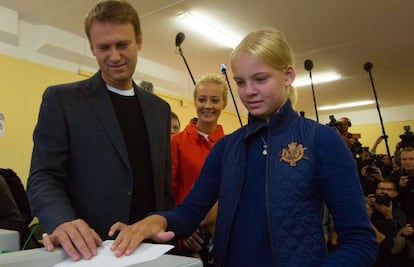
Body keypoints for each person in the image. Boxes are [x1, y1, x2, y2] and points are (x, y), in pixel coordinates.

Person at [106, 27, 378, 266]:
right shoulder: (227, 148)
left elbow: (360, 241)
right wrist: (158, 221)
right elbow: (189, 213)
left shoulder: (321, 141)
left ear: (288, 75)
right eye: (240, 81)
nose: (248, 91)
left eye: (260, 79)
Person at [28, 0, 174, 261]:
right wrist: (61, 221)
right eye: (103, 47)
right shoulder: (62, 100)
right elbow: (44, 177)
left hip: (151, 250)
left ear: (139, 40)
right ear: (92, 48)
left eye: (123, 45)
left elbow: (162, 188)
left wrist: (165, 221)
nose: (114, 56)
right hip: (89, 252)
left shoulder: (159, 109)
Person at [171, 73, 228, 265]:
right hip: (187, 235)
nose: (208, 106)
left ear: (224, 103)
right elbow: (170, 189)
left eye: (215, 100)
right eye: (202, 99)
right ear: (195, 101)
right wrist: (182, 227)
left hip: (222, 233)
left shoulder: (231, 146)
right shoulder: (176, 142)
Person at [390, 146, 414, 221]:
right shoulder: (395, 175)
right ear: (400, 161)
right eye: (404, 159)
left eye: (411, 159)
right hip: (402, 215)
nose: (408, 162)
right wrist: (398, 186)